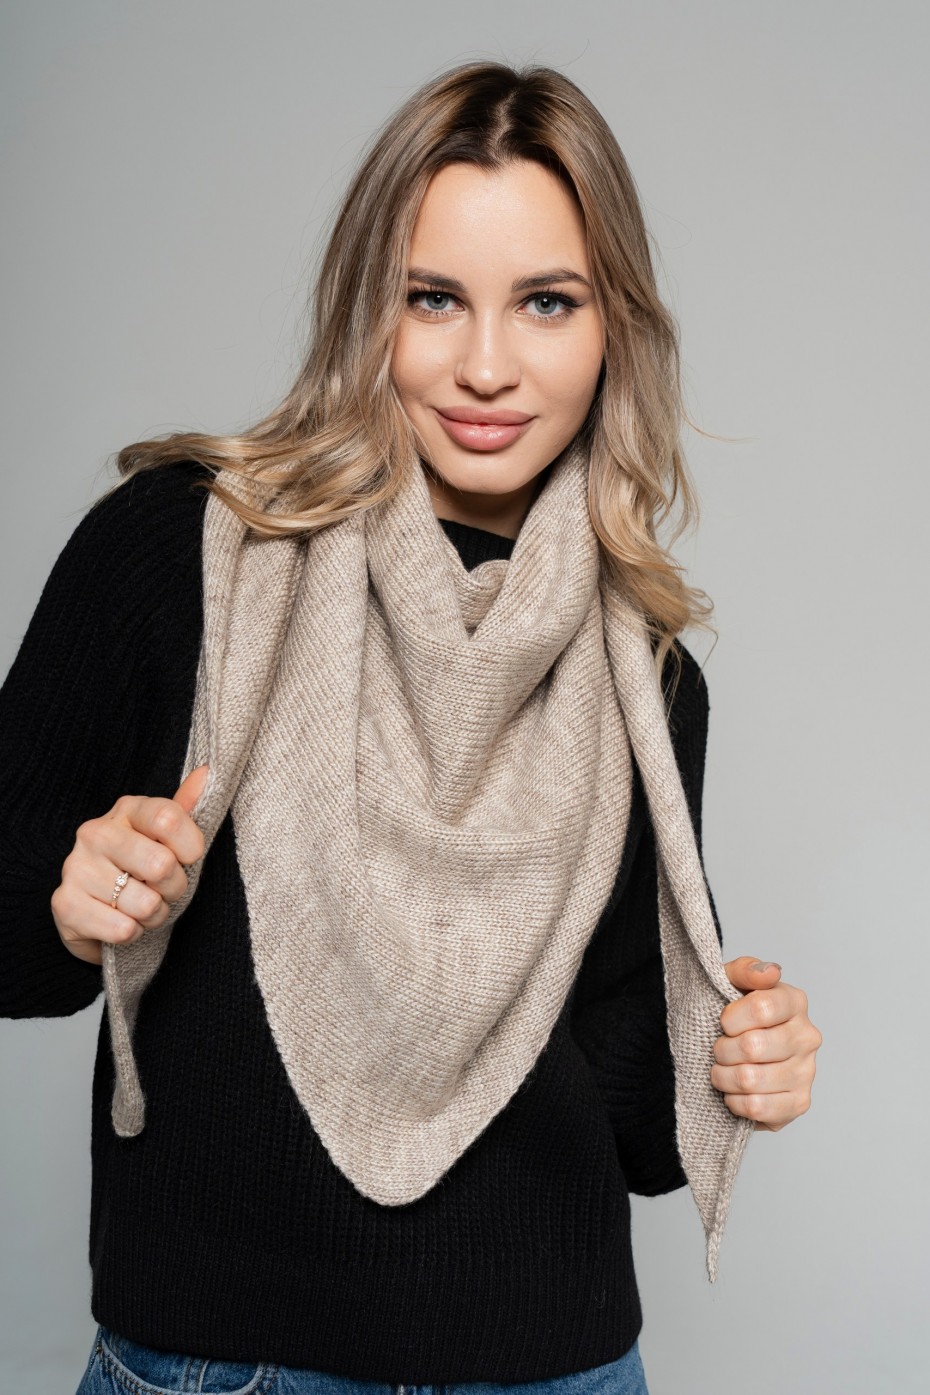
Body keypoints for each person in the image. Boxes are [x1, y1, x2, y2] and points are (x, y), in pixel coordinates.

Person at [0, 61, 821, 1395]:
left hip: (555, 1367)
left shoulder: (647, 675)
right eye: (431, 298)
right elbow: (10, 946)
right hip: (225, 1366)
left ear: (612, 326)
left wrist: (730, 1061)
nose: (485, 365)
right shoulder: (180, 553)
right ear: (361, 307)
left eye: (546, 302)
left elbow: (628, 1124)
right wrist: (68, 896)